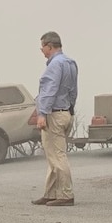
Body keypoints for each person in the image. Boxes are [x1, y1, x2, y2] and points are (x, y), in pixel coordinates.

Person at [31, 31, 78, 207]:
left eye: (42, 47)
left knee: (57, 156)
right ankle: (51, 193)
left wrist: (42, 114)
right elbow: (73, 91)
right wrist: (70, 111)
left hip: (54, 114)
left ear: (50, 46)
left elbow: (49, 91)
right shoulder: (70, 63)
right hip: (65, 111)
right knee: (52, 155)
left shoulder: (54, 65)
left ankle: (66, 194)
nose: (41, 50)